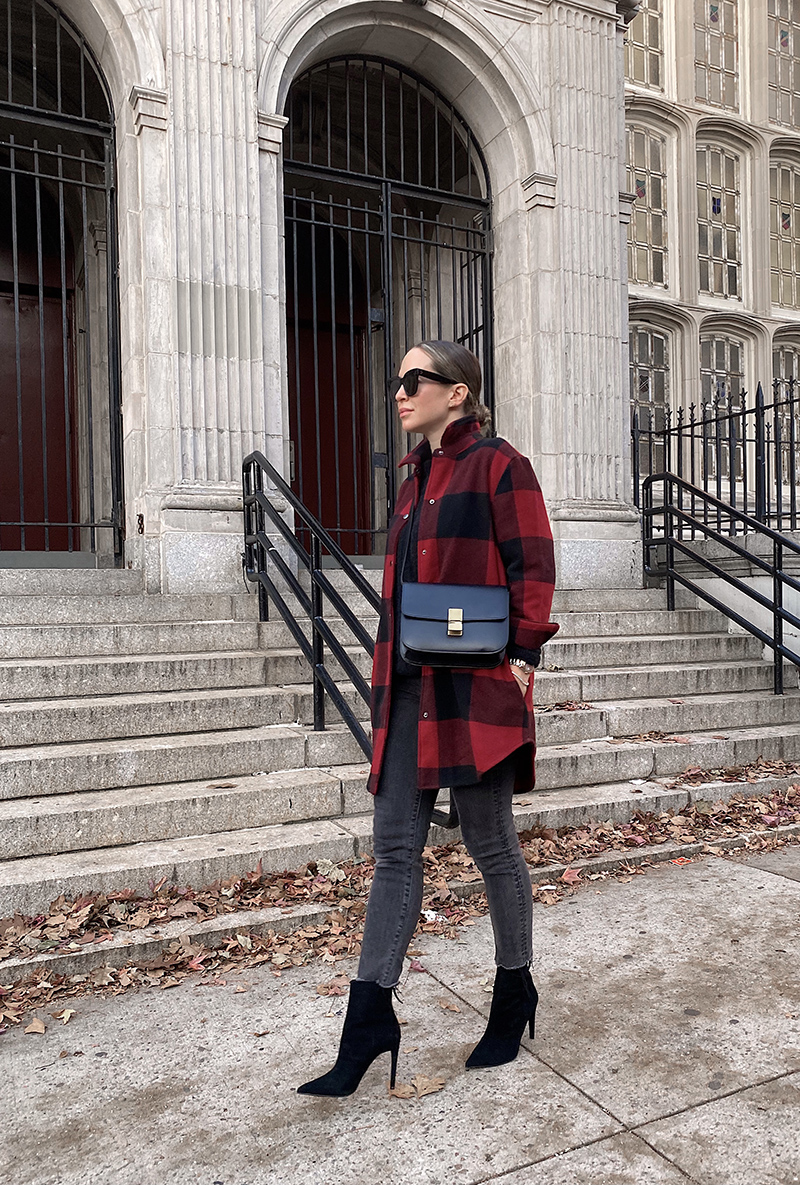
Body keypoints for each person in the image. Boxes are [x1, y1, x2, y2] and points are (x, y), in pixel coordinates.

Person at [298, 340, 558, 1097]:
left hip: (474, 687)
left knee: (491, 842)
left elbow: (533, 565)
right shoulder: (410, 483)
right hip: (406, 687)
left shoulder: (500, 465)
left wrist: (523, 656)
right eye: (398, 381)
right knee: (394, 849)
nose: (401, 392)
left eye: (415, 380)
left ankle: (514, 991)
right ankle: (369, 1020)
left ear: (459, 391)